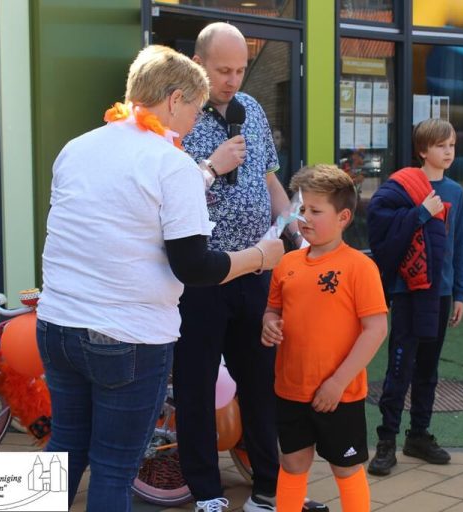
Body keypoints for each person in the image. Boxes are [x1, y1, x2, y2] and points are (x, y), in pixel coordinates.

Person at [35, 45, 284, 512]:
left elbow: (125, 204)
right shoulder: (171, 164)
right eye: (194, 108)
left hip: (57, 326)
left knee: (66, 446)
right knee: (113, 468)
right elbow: (194, 266)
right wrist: (259, 257)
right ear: (174, 100)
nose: (193, 121)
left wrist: (204, 173)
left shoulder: (78, 147)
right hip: (127, 337)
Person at [174, 23, 309, 512]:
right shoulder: (178, 116)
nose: (233, 80)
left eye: (240, 70)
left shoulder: (250, 108)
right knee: (196, 384)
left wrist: (292, 228)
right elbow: (168, 196)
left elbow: (269, 178)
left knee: (260, 382)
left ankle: (269, 488)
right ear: (199, 64)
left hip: (256, 270)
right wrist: (213, 163)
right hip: (202, 275)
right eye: (222, 70)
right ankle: (206, 492)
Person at [261, 164, 388, 512]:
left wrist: (337, 383)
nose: (305, 217)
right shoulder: (286, 263)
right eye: (303, 208)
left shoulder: (360, 267)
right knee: (292, 464)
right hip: (291, 389)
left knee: (346, 469)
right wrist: (269, 323)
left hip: (340, 394)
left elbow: (376, 330)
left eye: (316, 211)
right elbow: (272, 311)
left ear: (343, 217)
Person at [366, 118, 463, 476]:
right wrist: (421, 213)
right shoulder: (402, 186)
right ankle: (386, 441)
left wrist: (459, 293)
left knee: (428, 367)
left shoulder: (455, 192)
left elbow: (457, 246)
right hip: (408, 291)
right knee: (400, 367)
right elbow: (382, 229)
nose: (449, 152)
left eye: (452, 145)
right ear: (423, 150)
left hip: (441, 292)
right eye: (441, 146)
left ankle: (419, 435)